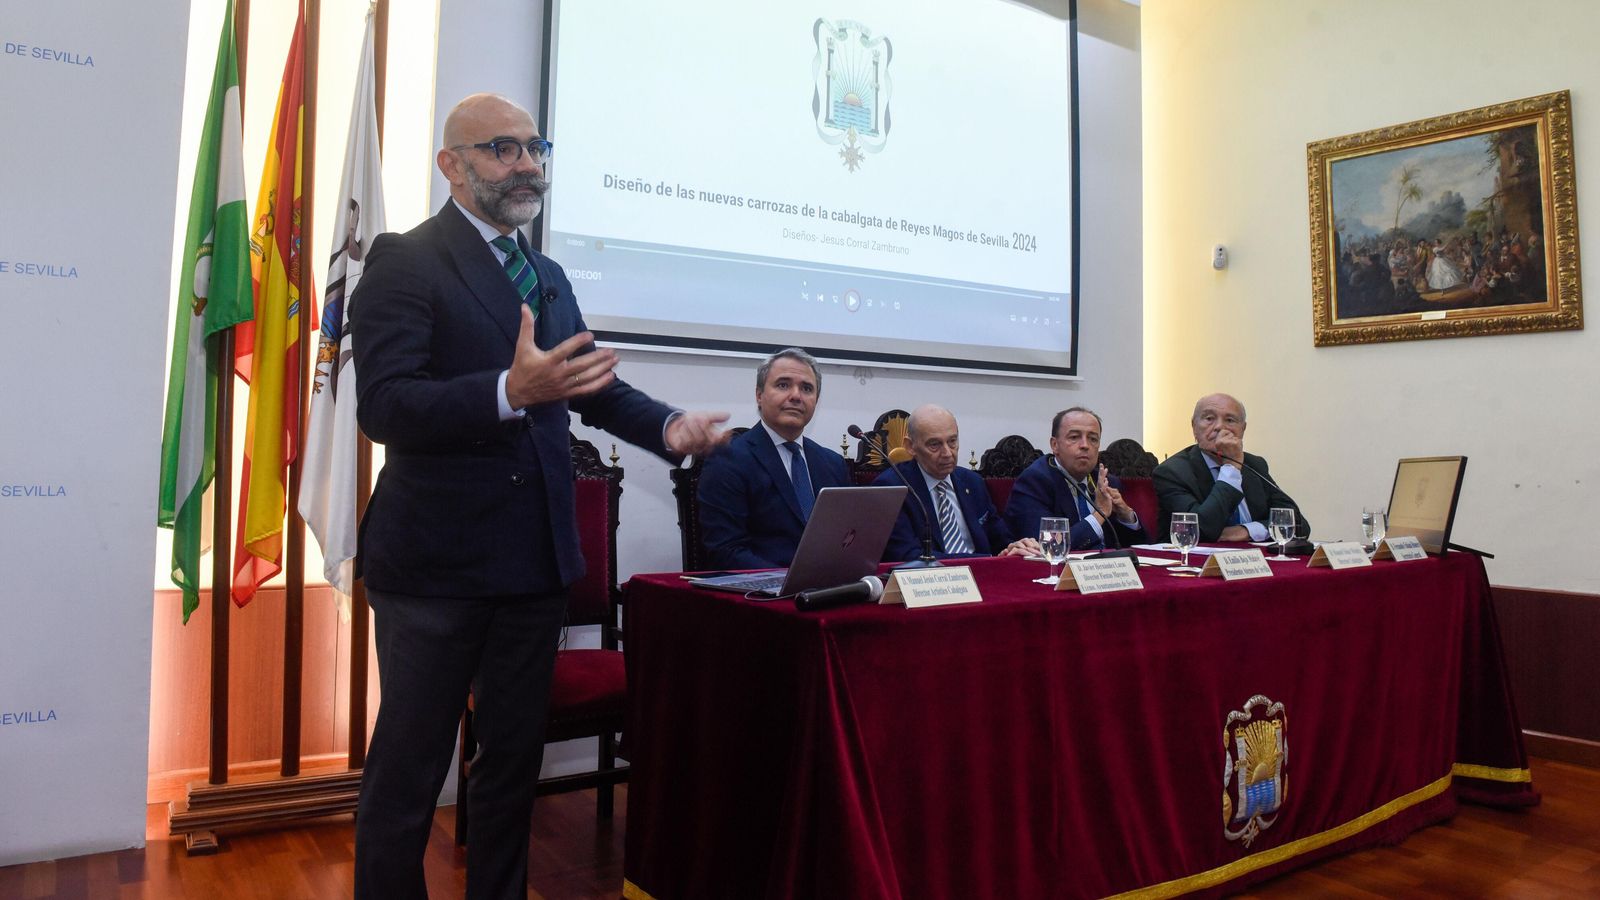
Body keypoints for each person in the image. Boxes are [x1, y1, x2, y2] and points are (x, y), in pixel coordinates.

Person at [348, 92, 729, 900]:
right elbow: (384, 406)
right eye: (501, 149)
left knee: (511, 763)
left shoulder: (545, 274)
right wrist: (504, 391)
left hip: (533, 563)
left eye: (533, 146)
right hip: (435, 570)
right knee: (410, 769)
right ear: (452, 165)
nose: (526, 164)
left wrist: (670, 428)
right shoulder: (404, 259)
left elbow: (587, 386)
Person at [697, 347, 850, 570]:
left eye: (807, 388)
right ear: (759, 395)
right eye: (783, 385)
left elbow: (847, 539)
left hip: (827, 591)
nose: (796, 396)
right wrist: (789, 582)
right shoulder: (728, 459)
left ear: (816, 401)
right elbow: (725, 551)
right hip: (763, 595)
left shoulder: (833, 464)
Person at [875, 404, 1039, 561]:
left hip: (984, 578)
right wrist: (984, 560)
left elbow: (1000, 539)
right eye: (934, 444)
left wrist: (1015, 547)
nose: (947, 453)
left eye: (952, 441)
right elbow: (908, 556)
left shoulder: (972, 482)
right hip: (929, 583)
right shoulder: (892, 488)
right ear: (910, 446)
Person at [1152, 393, 1309, 543]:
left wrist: (1247, 531)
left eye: (1230, 420)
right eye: (1209, 418)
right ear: (1194, 427)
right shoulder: (1172, 472)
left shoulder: (1254, 464)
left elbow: (1298, 523)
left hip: (1251, 562)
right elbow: (1200, 530)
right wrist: (1232, 468)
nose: (1220, 427)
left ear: (1243, 429)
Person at [1005, 406, 1149, 551]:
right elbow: (1046, 547)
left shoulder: (1106, 482)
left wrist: (1126, 516)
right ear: (1055, 445)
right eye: (1074, 437)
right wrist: (1100, 515)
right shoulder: (1035, 481)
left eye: (1093, 439)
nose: (1085, 445)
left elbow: (1142, 550)